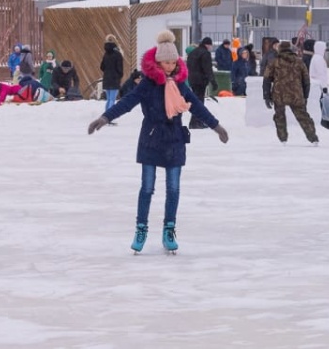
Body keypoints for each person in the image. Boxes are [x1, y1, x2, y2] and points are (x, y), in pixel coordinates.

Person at [87, 30, 229, 254]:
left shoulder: (181, 85)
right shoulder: (147, 84)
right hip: (151, 138)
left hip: (174, 139)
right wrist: (104, 118)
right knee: (147, 188)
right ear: (158, 62)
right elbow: (128, 102)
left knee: (173, 188)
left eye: (174, 61)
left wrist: (215, 126)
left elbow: (197, 106)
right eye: (166, 62)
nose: (171, 65)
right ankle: (141, 229)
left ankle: (169, 230)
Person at [262, 40, 319, 145]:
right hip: (296, 94)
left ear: (279, 49)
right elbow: (306, 80)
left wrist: (266, 96)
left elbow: (267, 79)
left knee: (279, 117)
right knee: (303, 117)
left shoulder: (274, 62)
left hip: (279, 94)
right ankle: (313, 138)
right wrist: (305, 96)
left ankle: (283, 139)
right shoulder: (299, 62)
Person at [308, 40, 329, 131]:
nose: (325, 50)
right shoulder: (318, 59)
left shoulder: (316, 57)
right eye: (324, 48)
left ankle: (326, 121)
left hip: (319, 85)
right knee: (325, 104)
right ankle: (326, 122)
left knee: (324, 104)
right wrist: (324, 87)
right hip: (320, 86)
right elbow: (321, 74)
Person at [185, 37, 215, 124]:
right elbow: (207, 68)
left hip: (192, 80)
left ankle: (196, 121)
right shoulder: (205, 53)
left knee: (196, 100)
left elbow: (188, 66)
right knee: (199, 101)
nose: (211, 47)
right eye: (210, 45)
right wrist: (212, 80)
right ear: (207, 45)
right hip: (201, 80)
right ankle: (195, 122)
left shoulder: (193, 52)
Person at [100, 35, 124, 111]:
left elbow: (102, 67)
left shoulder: (105, 54)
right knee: (112, 99)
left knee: (109, 99)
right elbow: (119, 67)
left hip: (106, 78)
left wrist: (107, 72)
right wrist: (120, 75)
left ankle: (105, 115)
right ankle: (109, 117)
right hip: (115, 79)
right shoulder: (118, 54)